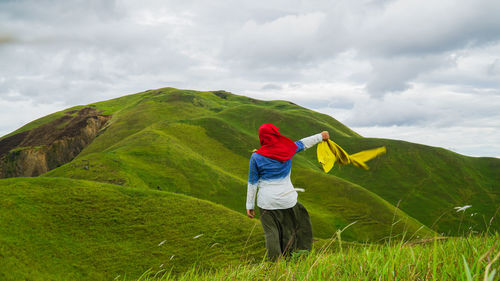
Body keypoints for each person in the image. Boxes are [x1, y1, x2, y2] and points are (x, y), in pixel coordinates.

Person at [246, 123, 330, 260]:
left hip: (266, 202)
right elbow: (303, 143)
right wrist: (320, 136)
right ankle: (291, 260)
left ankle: (275, 265)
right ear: (276, 134)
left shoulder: (256, 157)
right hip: (287, 200)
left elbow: (252, 183)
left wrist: (249, 205)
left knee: (271, 233)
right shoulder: (288, 149)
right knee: (288, 232)